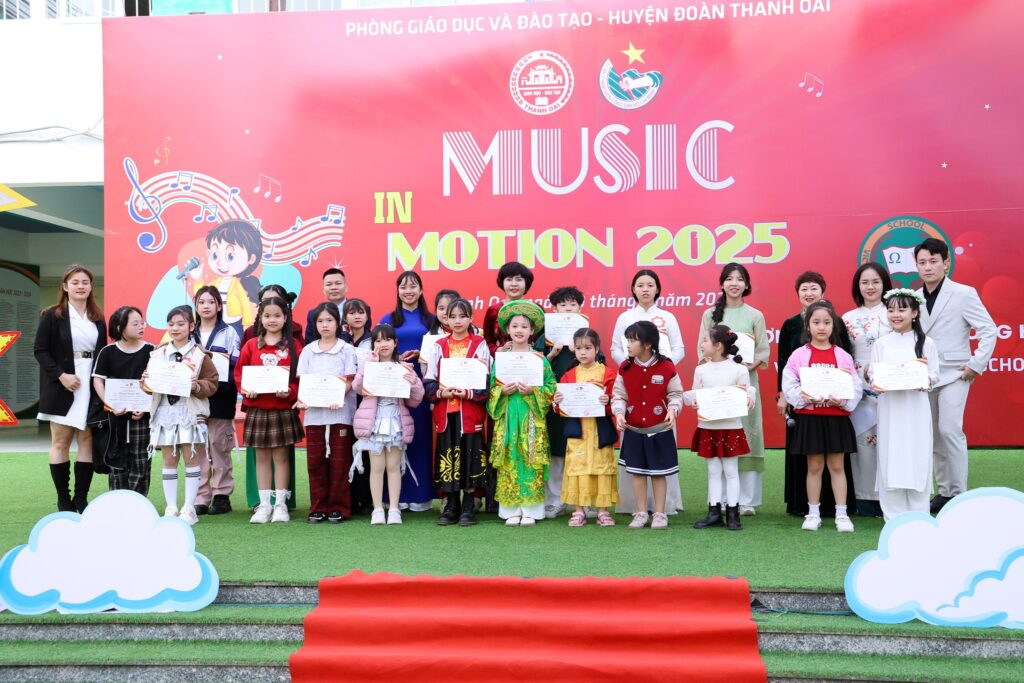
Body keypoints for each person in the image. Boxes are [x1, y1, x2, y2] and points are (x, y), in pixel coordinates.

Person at [914, 238, 997, 513]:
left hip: (956, 373)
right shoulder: (913, 296)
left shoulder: (963, 293)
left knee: (950, 430)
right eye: (922, 262)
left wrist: (976, 364)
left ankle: (959, 494)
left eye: (933, 261)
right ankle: (944, 491)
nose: (928, 267)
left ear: (946, 263)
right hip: (925, 376)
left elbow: (988, 329)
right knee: (935, 436)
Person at [609, 269, 685, 516]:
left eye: (650, 285)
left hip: (659, 391)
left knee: (661, 452)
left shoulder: (668, 317)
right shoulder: (625, 317)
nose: (645, 289)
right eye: (640, 285)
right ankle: (635, 507)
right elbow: (615, 348)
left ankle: (664, 506)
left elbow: (679, 348)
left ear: (657, 289)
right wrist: (632, 367)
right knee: (634, 456)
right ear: (633, 289)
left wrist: (658, 365)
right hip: (634, 389)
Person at [782, 301, 861, 533]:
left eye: (827, 322)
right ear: (808, 326)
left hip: (836, 418)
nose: (822, 327)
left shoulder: (842, 356)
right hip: (811, 418)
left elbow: (855, 385)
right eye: (816, 322)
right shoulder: (799, 355)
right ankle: (813, 513)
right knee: (814, 466)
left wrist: (842, 400)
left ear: (833, 326)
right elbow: (789, 383)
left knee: (837, 466)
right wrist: (804, 396)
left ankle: (842, 514)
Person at [696, 263, 769, 516]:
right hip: (716, 387)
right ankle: (720, 500)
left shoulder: (755, 316)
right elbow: (702, 349)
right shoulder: (710, 315)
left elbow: (762, 351)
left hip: (744, 384)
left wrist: (744, 367)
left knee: (745, 435)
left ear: (747, 284)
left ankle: (745, 500)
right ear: (722, 283)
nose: (734, 283)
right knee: (719, 436)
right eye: (729, 279)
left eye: (740, 279)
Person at [35, 264, 107, 513]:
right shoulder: (52, 315)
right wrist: (61, 376)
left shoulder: (97, 317)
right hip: (62, 384)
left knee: (87, 439)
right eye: (75, 282)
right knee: (61, 441)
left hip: (91, 382)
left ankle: (81, 498)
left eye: (85, 282)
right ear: (65, 287)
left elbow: (103, 353)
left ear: (91, 287)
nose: (80, 286)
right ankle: (63, 499)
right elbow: (40, 351)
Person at [141, 305, 219, 526]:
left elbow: (212, 383)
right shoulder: (158, 353)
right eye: (171, 324)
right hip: (165, 411)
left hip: (189, 411)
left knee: (191, 457)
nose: (175, 328)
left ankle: (189, 507)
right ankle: (171, 506)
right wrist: (145, 382)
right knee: (169, 459)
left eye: (181, 324)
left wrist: (196, 386)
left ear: (191, 326)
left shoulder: (200, 355)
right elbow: (148, 386)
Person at [867, 289, 939, 521]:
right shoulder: (881, 344)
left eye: (902, 310)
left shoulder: (926, 343)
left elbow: (934, 374)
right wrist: (876, 381)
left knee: (916, 452)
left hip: (915, 407)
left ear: (915, 313)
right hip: (890, 408)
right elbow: (873, 373)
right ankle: (893, 517)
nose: (895, 315)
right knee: (891, 453)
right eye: (891, 310)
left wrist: (924, 381)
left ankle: (919, 515)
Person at [487, 300, 556, 527]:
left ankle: (530, 509)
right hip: (508, 415)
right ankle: (511, 509)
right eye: (515, 326)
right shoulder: (501, 359)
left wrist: (533, 391)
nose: (519, 330)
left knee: (529, 457)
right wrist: (501, 391)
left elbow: (551, 387)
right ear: (507, 329)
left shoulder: (540, 359)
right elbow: (492, 388)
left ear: (532, 330)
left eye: (524, 326)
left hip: (530, 416)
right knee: (510, 456)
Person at [236, 296, 304, 524]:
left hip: (282, 409)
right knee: (262, 457)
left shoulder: (294, 346)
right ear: (260, 318)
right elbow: (239, 374)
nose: (272, 320)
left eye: (277, 315)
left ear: (285, 318)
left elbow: (300, 378)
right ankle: (264, 505)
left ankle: (281, 504)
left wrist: (291, 392)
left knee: (281, 457)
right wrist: (247, 390)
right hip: (258, 409)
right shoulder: (251, 345)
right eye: (267, 316)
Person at [422, 298, 490, 526]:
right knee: (448, 456)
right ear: (446, 320)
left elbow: (486, 380)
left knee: (471, 456)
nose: (457, 321)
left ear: (471, 318)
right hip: (446, 411)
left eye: (463, 316)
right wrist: (442, 392)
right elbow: (429, 379)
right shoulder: (439, 345)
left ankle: (469, 505)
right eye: (452, 317)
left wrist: (468, 393)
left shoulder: (479, 343)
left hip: (470, 412)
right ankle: (451, 504)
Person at [350, 324, 425, 525]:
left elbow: (416, 400)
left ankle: (393, 509)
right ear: (373, 344)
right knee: (376, 466)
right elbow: (357, 387)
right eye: (378, 340)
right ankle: (377, 509)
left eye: (387, 340)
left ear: (395, 343)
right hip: (373, 420)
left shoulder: (404, 367)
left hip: (396, 420)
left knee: (393, 466)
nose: (383, 344)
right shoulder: (368, 365)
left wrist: (414, 383)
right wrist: (368, 365)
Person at [686, 325, 758, 531]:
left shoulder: (739, 369)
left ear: (718, 346)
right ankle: (714, 512)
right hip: (708, 426)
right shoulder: (701, 369)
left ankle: (733, 513)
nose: (701, 344)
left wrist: (749, 398)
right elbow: (694, 393)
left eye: (705, 341)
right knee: (713, 470)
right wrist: (693, 401)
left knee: (731, 470)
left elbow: (747, 392)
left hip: (730, 427)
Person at [296, 302, 359, 523]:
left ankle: (339, 508)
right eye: (320, 321)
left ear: (338, 323)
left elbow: (350, 380)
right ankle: (317, 507)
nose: (325, 325)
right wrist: (304, 399)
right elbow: (304, 382)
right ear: (315, 324)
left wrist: (338, 395)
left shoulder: (346, 349)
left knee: (339, 462)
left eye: (329, 320)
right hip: (314, 415)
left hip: (340, 414)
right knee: (315, 463)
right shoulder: (308, 351)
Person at [379, 271, 435, 512]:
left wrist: (422, 356)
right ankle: (395, 497)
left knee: (420, 438)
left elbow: (439, 350)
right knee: (395, 439)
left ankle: (420, 496)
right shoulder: (388, 318)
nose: (408, 291)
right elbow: (378, 348)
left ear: (421, 290)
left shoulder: (431, 320)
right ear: (398, 291)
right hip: (393, 386)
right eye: (403, 287)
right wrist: (396, 356)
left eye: (413, 286)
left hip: (420, 385)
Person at [841, 263, 893, 517]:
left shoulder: (895, 312)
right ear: (857, 286)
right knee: (863, 441)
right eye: (865, 282)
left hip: (892, 382)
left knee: (890, 440)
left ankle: (890, 496)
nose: (870, 287)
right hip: (857, 384)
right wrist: (856, 382)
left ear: (884, 284)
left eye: (875, 282)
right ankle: (863, 498)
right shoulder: (847, 318)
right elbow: (842, 355)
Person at [552, 328, 618, 528]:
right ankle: (579, 511)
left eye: (588, 348)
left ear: (597, 349)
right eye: (579, 348)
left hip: (600, 430)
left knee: (602, 468)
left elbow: (617, 403)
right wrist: (558, 401)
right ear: (574, 349)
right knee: (577, 468)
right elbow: (560, 409)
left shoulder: (608, 374)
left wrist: (608, 401)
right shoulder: (569, 376)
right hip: (578, 431)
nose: (583, 352)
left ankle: (602, 511)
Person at [91, 306, 153, 495]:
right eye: (135, 324)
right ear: (119, 327)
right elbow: (98, 380)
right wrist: (110, 404)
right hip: (115, 417)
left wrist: (146, 407)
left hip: (141, 417)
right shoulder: (108, 352)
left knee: (141, 460)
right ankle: (117, 502)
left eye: (142, 323)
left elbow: (156, 383)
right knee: (116, 460)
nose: (141, 327)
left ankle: (139, 502)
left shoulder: (152, 350)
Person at [540, 286, 589, 519]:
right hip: (554, 400)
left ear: (580, 308)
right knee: (557, 451)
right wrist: (552, 354)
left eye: (573, 304)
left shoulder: (587, 334)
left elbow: (599, 363)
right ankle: (555, 500)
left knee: (582, 449)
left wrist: (580, 352)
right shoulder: (546, 336)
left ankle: (584, 501)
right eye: (562, 305)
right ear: (554, 308)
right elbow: (535, 365)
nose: (568, 309)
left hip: (581, 401)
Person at [192, 285, 241, 515]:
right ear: (196, 306)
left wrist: (218, 373)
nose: (206, 306)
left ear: (219, 306)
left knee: (219, 445)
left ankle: (221, 495)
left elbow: (236, 365)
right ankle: (201, 497)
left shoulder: (229, 333)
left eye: (211, 302)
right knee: (198, 448)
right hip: (195, 397)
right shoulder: (189, 332)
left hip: (221, 396)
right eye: (201, 302)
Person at [341, 298, 374, 514]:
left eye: (361, 312)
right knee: (345, 450)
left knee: (367, 450)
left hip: (366, 402)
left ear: (367, 315)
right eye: (352, 313)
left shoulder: (373, 340)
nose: (357, 316)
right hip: (343, 401)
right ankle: (349, 499)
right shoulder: (339, 341)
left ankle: (367, 499)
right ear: (345, 317)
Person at [482, 261, 535, 355]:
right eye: (509, 279)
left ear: (526, 283)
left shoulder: (535, 309)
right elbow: (487, 341)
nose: (514, 284)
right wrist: (499, 350)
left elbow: (543, 340)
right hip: (502, 361)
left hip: (530, 360)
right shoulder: (493, 310)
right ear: (502, 282)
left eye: (519, 279)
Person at [305, 268, 349, 344]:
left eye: (338, 283)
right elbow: (310, 341)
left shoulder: (358, 311)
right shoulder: (313, 314)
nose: (333, 287)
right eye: (329, 284)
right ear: (323, 290)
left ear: (346, 287)